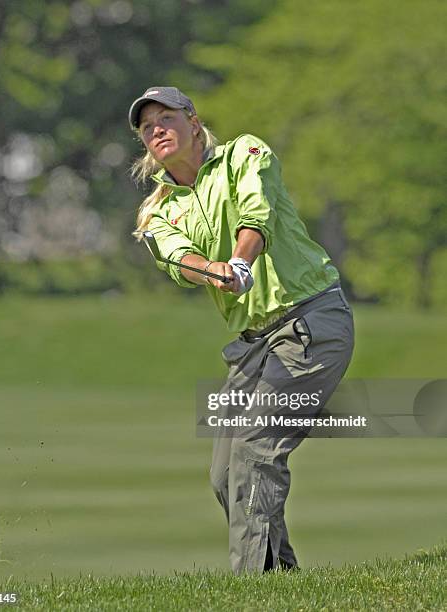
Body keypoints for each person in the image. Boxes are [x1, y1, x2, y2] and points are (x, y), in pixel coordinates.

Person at [128, 86, 354, 575]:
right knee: (225, 475)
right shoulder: (159, 211)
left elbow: (257, 210)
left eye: (166, 118)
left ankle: (251, 587)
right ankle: (281, 581)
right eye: (147, 128)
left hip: (311, 320)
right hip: (254, 345)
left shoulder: (246, 153)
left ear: (193, 120)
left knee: (255, 450)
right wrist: (211, 269)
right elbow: (176, 256)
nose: (157, 130)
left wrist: (238, 262)